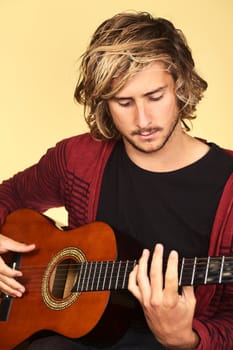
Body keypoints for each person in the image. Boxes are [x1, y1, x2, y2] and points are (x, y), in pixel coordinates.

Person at [0, 10, 233, 350]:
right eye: (124, 102)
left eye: (155, 97)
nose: (143, 119)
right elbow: (10, 194)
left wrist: (183, 339)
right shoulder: (77, 159)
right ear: (104, 104)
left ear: (181, 87)